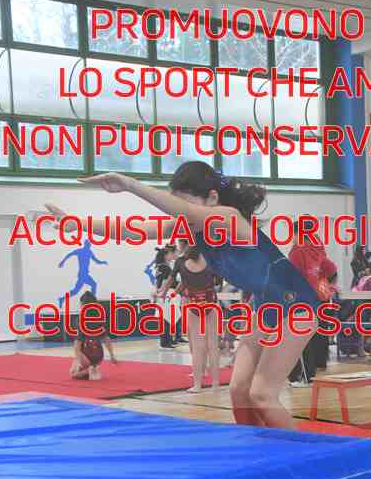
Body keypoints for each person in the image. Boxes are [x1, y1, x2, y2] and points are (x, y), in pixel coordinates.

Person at [46, 162, 324, 429]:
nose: (180, 218)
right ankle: (256, 447)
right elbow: (135, 231)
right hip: (266, 309)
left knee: (262, 395)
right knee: (239, 390)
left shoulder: (229, 218)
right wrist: (77, 223)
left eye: (184, 206)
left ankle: (298, 456)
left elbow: (184, 210)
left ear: (212, 198)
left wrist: (130, 184)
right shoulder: (191, 226)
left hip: (296, 307)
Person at [287, 219, 334, 385]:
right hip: (319, 298)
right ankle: (313, 370)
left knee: (300, 337)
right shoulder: (318, 248)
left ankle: (302, 376)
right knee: (315, 335)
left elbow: (292, 276)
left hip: (302, 298)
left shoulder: (297, 250)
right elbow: (331, 269)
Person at [178, 245, 220, 393]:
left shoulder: (182, 264)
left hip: (193, 304)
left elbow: (183, 285)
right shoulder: (211, 261)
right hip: (210, 303)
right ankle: (215, 384)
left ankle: (197, 385)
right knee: (213, 346)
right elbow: (218, 281)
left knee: (197, 347)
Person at [71, 290, 118, 380]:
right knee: (78, 371)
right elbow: (106, 338)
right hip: (99, 355)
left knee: (73, 373)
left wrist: (77, 360)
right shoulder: (100, 318)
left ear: (83, 304)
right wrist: (112, 355)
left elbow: (77, 342)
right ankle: (93, 367)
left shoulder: (81, 319)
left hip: (87, 352)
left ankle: (88, 368)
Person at [154, 245, 178, 349]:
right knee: (166, 318)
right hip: (165, 294)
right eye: (169, 254)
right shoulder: (165, 267)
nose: (171, 255)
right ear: (165, 256)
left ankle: (167, 340)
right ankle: (165, 341)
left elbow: (158, 282)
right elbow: (165, 281)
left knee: (165, 318)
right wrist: (163, 292)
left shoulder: (158, 267)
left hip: (162, 293)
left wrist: (158, 291)